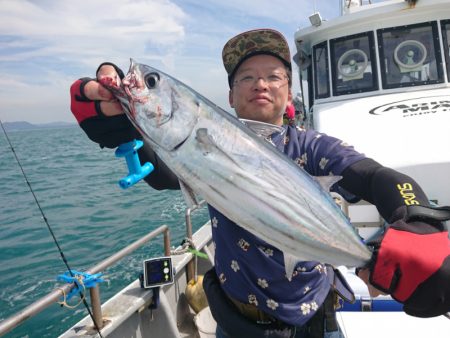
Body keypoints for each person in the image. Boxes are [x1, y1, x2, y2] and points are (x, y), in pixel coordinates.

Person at [70, 29, 450, 338]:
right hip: (236, 325)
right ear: (231, 97)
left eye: (274, 76)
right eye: (246, 78)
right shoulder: (189, 148)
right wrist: (114, 117)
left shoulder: (310, 146)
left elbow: (374, 175)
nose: (260, 85)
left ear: (288, 91)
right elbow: (159, 172)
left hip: (317, 322)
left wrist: (417, 216)